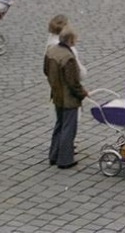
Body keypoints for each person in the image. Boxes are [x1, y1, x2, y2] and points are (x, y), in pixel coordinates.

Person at [43, 26, 89, 169]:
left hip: (56, 93)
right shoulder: (68, 58)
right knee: (69, 128)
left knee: (59, 125)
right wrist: (82, 93)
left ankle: (54, 155)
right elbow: (73, 82)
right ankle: (65, 159)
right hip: (68, 98)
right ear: (70, 40)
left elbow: (45, 70)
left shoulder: (51, 51)